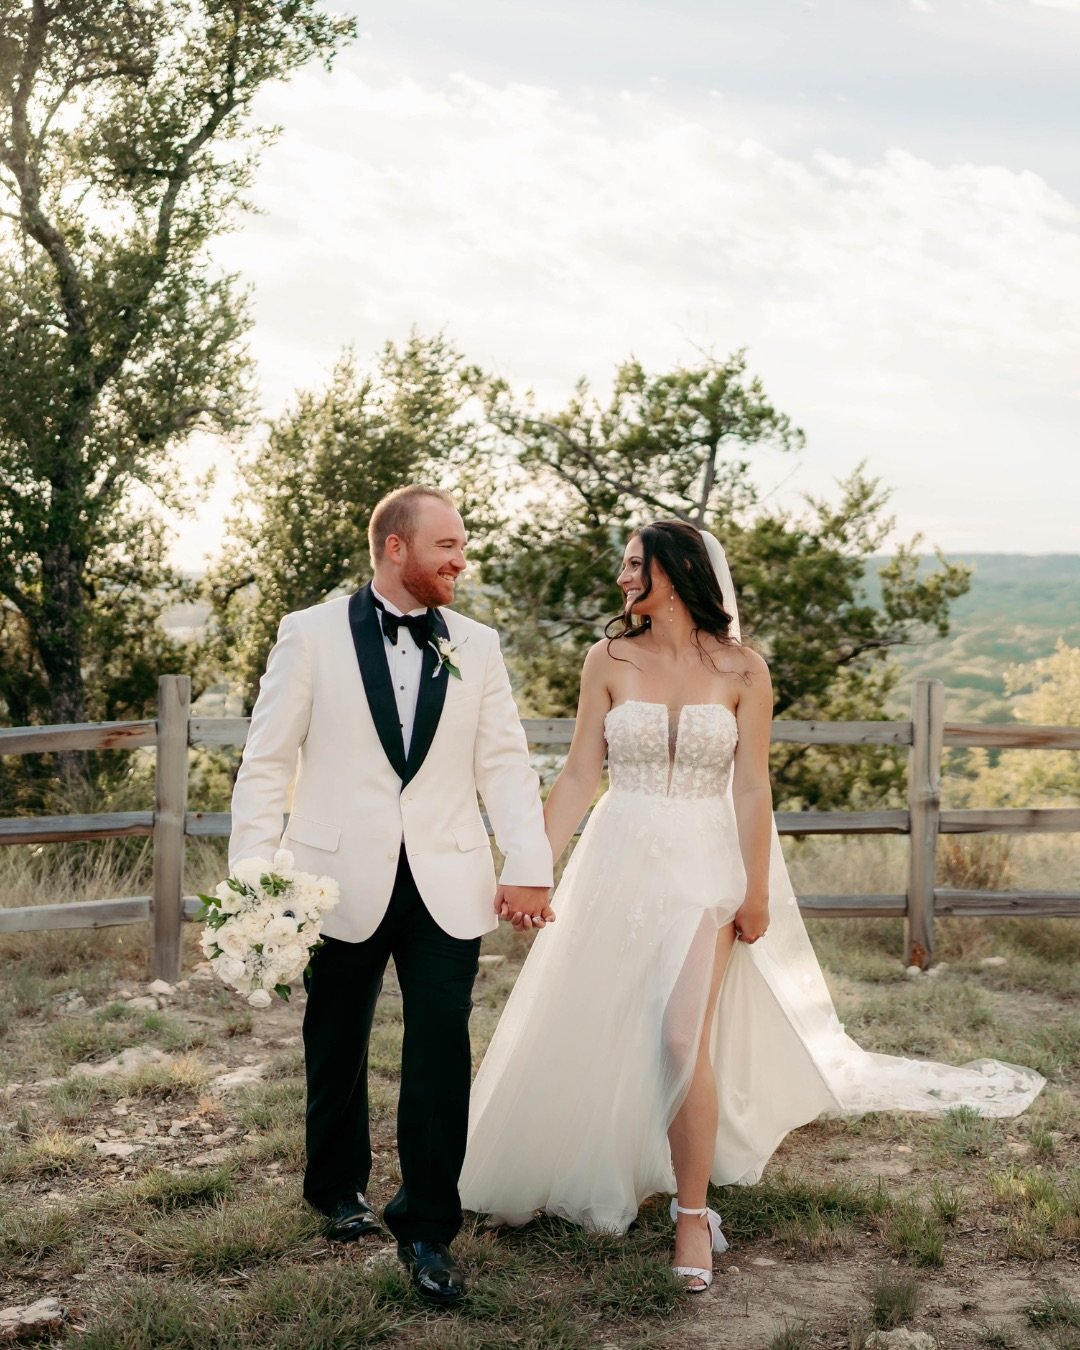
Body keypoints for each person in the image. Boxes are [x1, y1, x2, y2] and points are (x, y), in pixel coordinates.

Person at [460, 520, 1045, 1292]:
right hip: (618, 858)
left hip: (708, 868)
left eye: (636, 564)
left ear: (677, 570)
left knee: (677, 1037)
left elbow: (750, 786)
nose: (623, 577)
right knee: (605, 1014)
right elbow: (577, 775)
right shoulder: (607, 658)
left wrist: (754, 888)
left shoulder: (743, 669)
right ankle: (607, 1158)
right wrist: (530, 866)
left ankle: (694, 1216)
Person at [229, 484, 553, 1305]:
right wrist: (252, 880)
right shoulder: (308, 636)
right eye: (447, 544)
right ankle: (337, 1190)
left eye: (464, 544)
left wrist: (528, 860)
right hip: (333, 874)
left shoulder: (476, 644)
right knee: (335, 1034)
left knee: (441, 1043)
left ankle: (428, 1228)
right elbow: (268, 763)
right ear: (395, 548)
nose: (461, 559)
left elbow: (505, 763)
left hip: (448, 874)